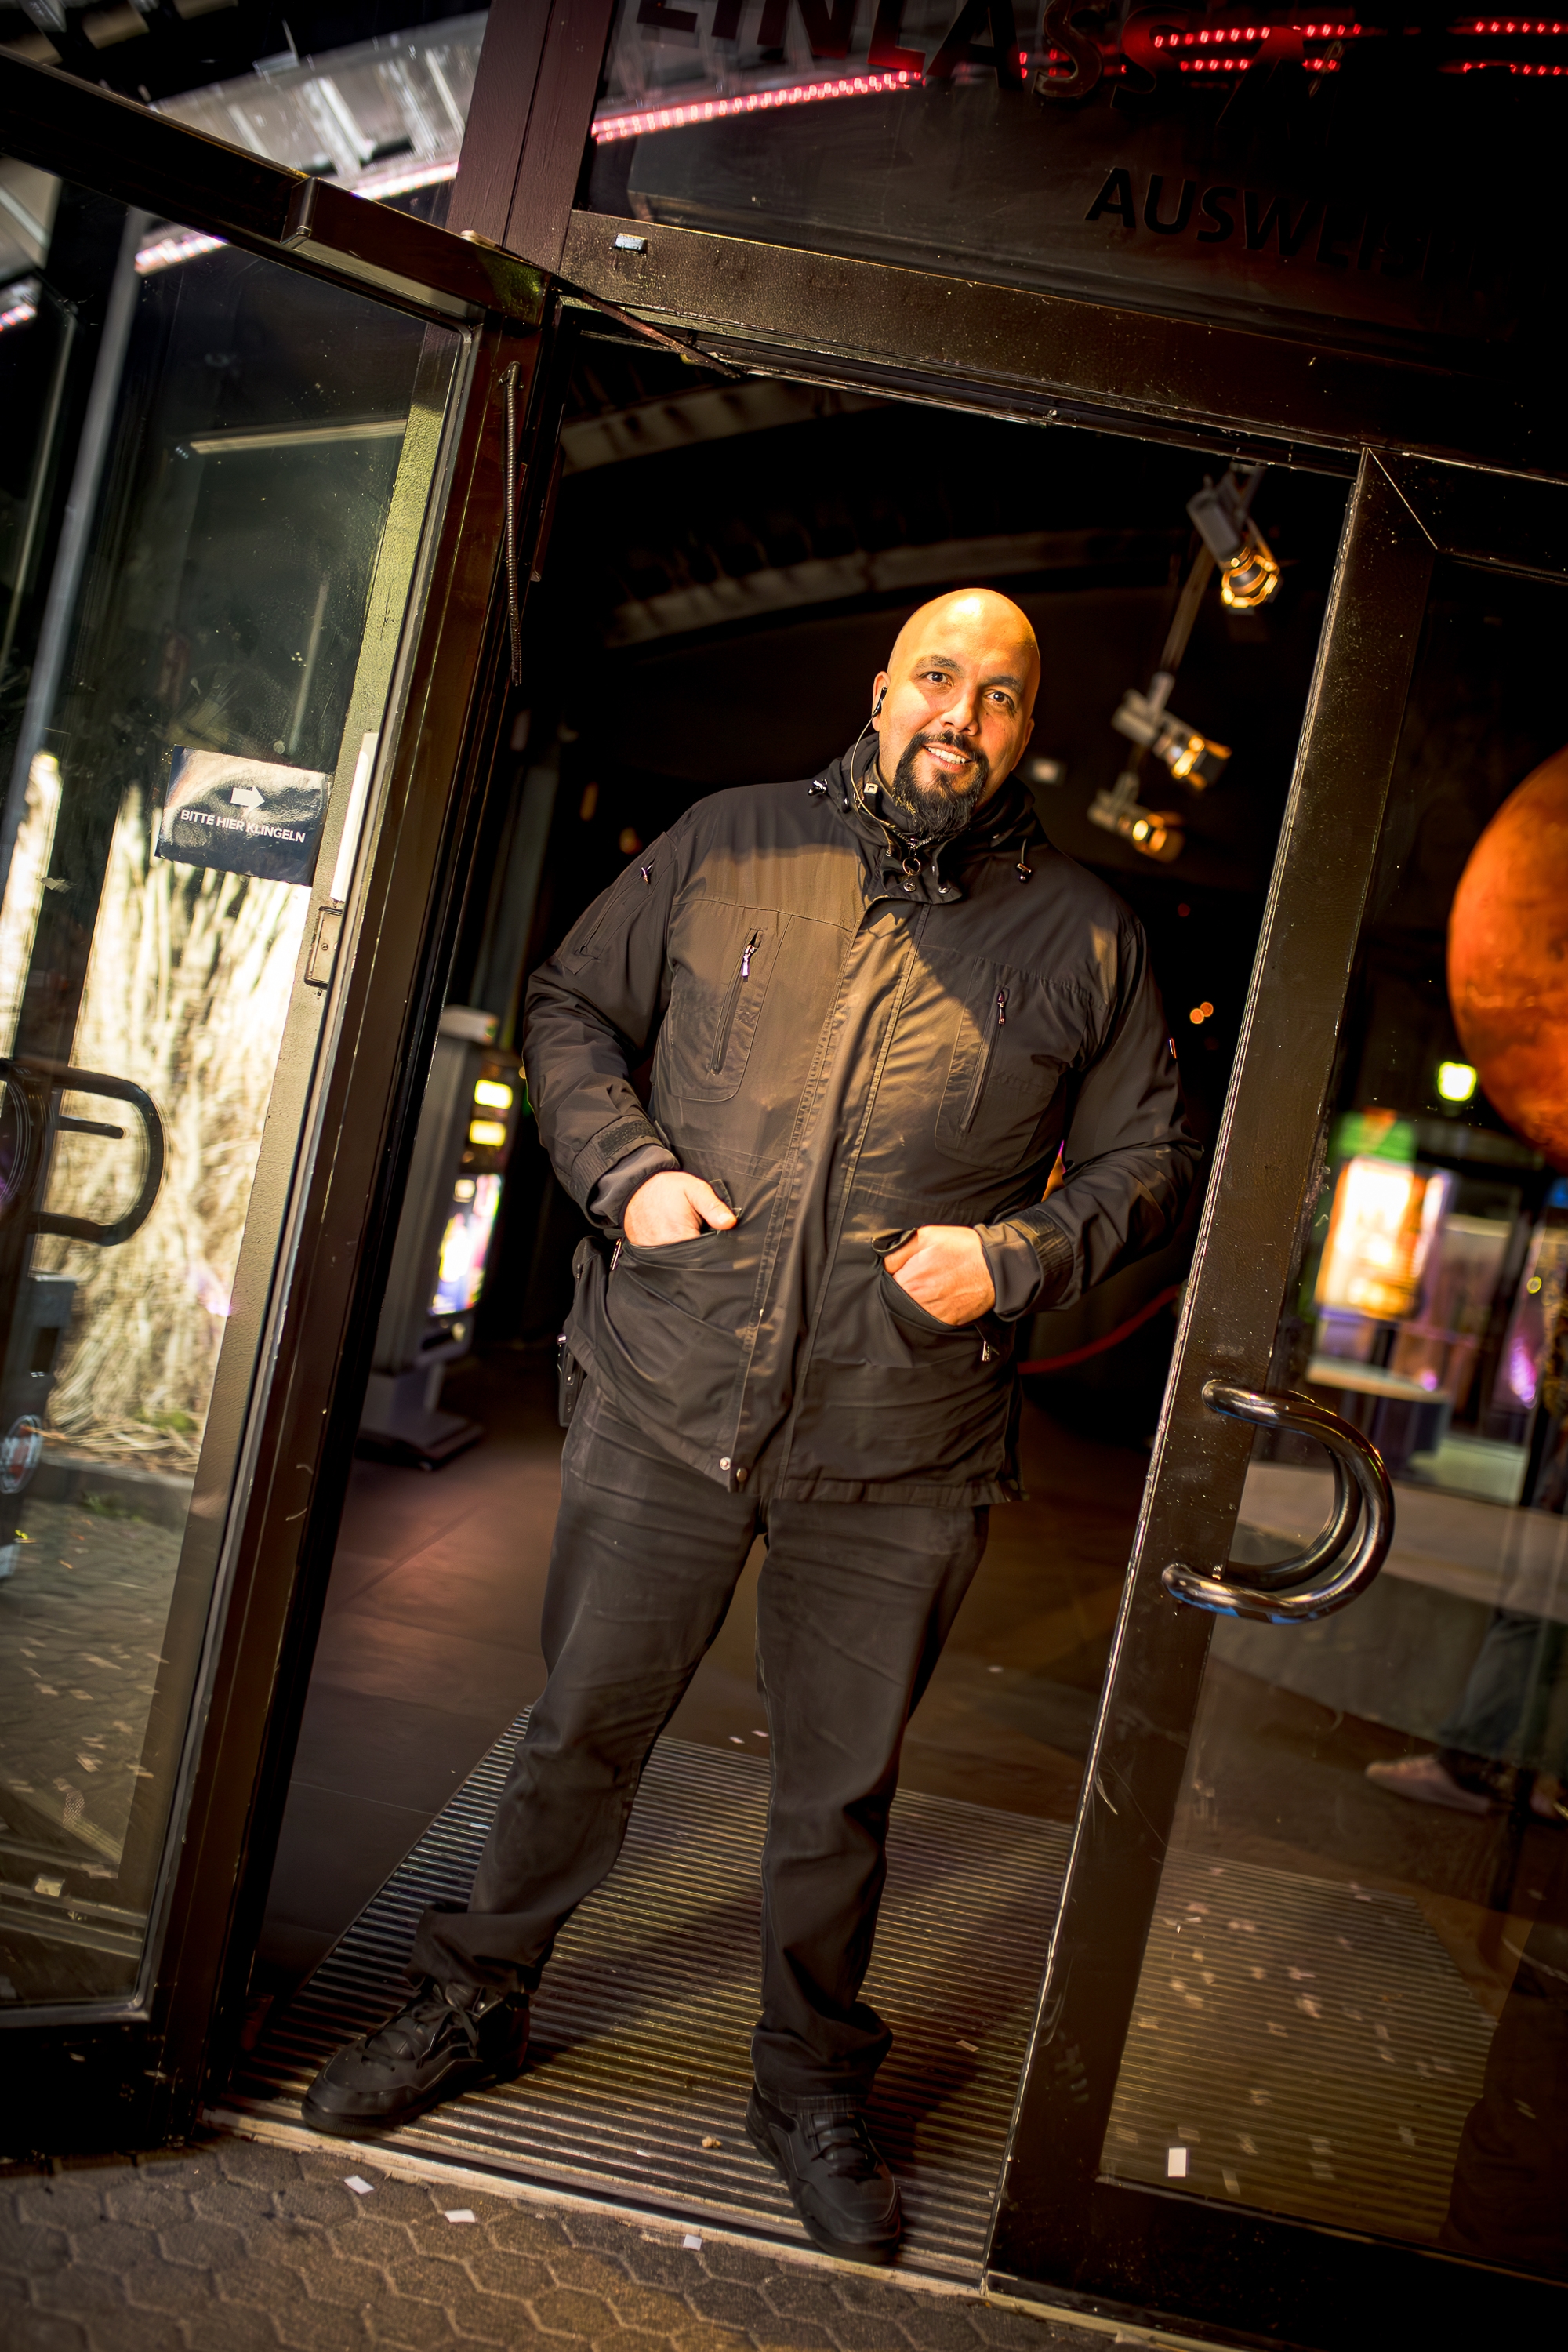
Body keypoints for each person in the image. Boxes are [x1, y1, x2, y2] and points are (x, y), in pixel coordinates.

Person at [303, 589, 1200, 2262]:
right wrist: (627, 1175)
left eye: (1001, 697)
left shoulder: (1083, 935)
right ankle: (471, 2001)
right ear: (882, 690)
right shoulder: (729, 844)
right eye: (937, 679)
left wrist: (1014, 1258)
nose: (961, 715)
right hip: (671, 1388)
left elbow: (1152, 1162)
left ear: (1027, 731)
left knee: (836, 1795)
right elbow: (569, 1008)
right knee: (578, 1730)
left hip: (903, 1436)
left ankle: (805, 2084)